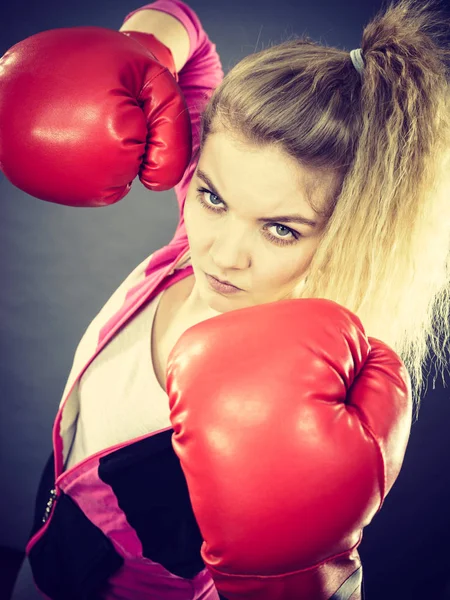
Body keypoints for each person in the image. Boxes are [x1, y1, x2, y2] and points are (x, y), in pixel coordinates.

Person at [2, 0, 449, 598]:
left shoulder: (309, 402)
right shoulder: (198, 234)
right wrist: (146, 54)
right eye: (212, 196)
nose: (223, 253)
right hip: (44, 556)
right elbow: (181, 26)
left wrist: (305, 575)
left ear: (349, 235)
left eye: (281, 228)